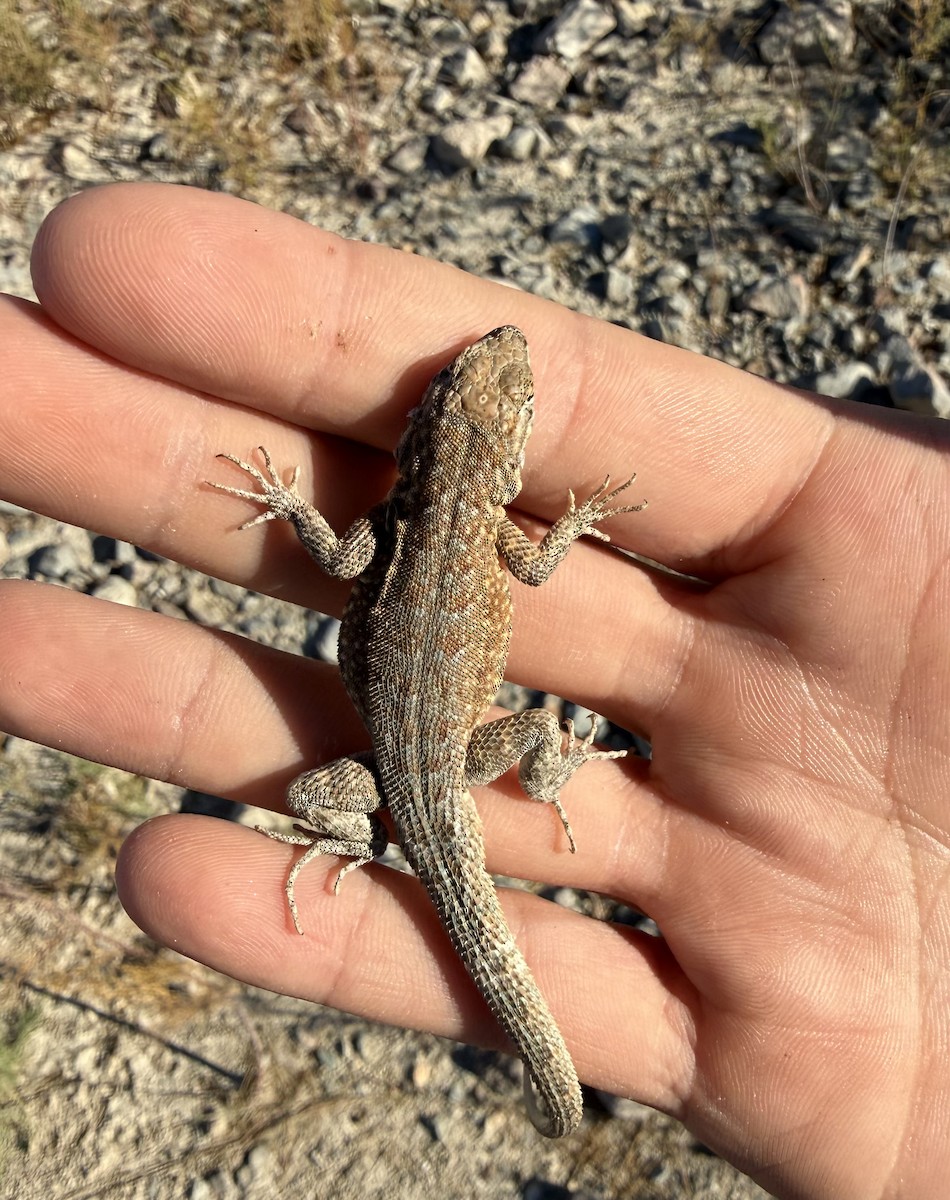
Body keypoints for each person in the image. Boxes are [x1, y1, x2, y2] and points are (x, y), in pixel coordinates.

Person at [1, 183, 946, 1199]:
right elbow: (535, 572)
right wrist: (572, 524)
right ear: (487, 455)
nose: (490, 367)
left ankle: (356, 838)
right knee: (504, 752)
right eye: (465, 392)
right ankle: (517, 791)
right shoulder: (488, 528)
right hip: (434, 763)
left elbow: (332, 554)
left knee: (353, 802)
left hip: (404, 772)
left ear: (414, 441)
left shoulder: (394, 525)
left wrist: (288, 503)